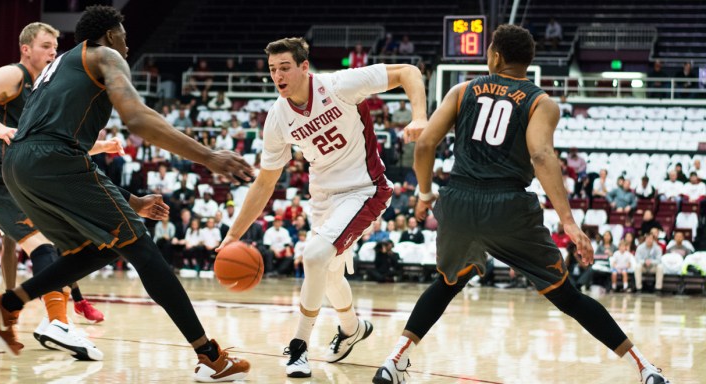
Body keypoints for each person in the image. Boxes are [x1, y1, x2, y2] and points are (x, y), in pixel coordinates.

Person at [373, 25, 670, 384]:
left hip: (458, 201)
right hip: (509, 206)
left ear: (495, 56)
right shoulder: (541, 102)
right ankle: (645, 369)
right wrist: (570, 223)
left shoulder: (461, 90)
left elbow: (423, 146)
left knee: (447, 284)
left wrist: (423, 196)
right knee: (567, 297)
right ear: (528, 62)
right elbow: (542, 156)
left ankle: (392, 361)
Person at [0, 6, 252, 382]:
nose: (126, 43)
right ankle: (210, 356)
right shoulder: (104, 55)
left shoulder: (61, 67)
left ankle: (8, 304)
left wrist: (130, 200)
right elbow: (137, 119)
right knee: (142, 249)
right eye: (123, 36)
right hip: (52, 159)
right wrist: (208, 156)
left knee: (98, 248)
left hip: (17, 165)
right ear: (108, 36)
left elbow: (51, 142)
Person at [217, 37, 427, 379]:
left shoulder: (339, 85)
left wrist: (419, 117)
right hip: (323, 198)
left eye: (285, 67)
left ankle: (299, 347)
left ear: (304, 67)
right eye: (272, 70)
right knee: (327, 273)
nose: (278, 75)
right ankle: (352, 328)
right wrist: (232, 235)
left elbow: (408, 71)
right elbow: (265, 183)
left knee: (314, 256)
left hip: (365, 189)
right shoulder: (277, 118)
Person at [0, 22, 120, 355]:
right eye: (46, 45)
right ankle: (55, 321)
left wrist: (101, 148)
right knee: (43, 245)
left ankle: (10, 313)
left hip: (20, 178)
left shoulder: (44, 89)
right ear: (26, 49)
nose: (53, 51)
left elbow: (50, 143)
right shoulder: (11, 75)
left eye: (56, 45)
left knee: (63, 246)